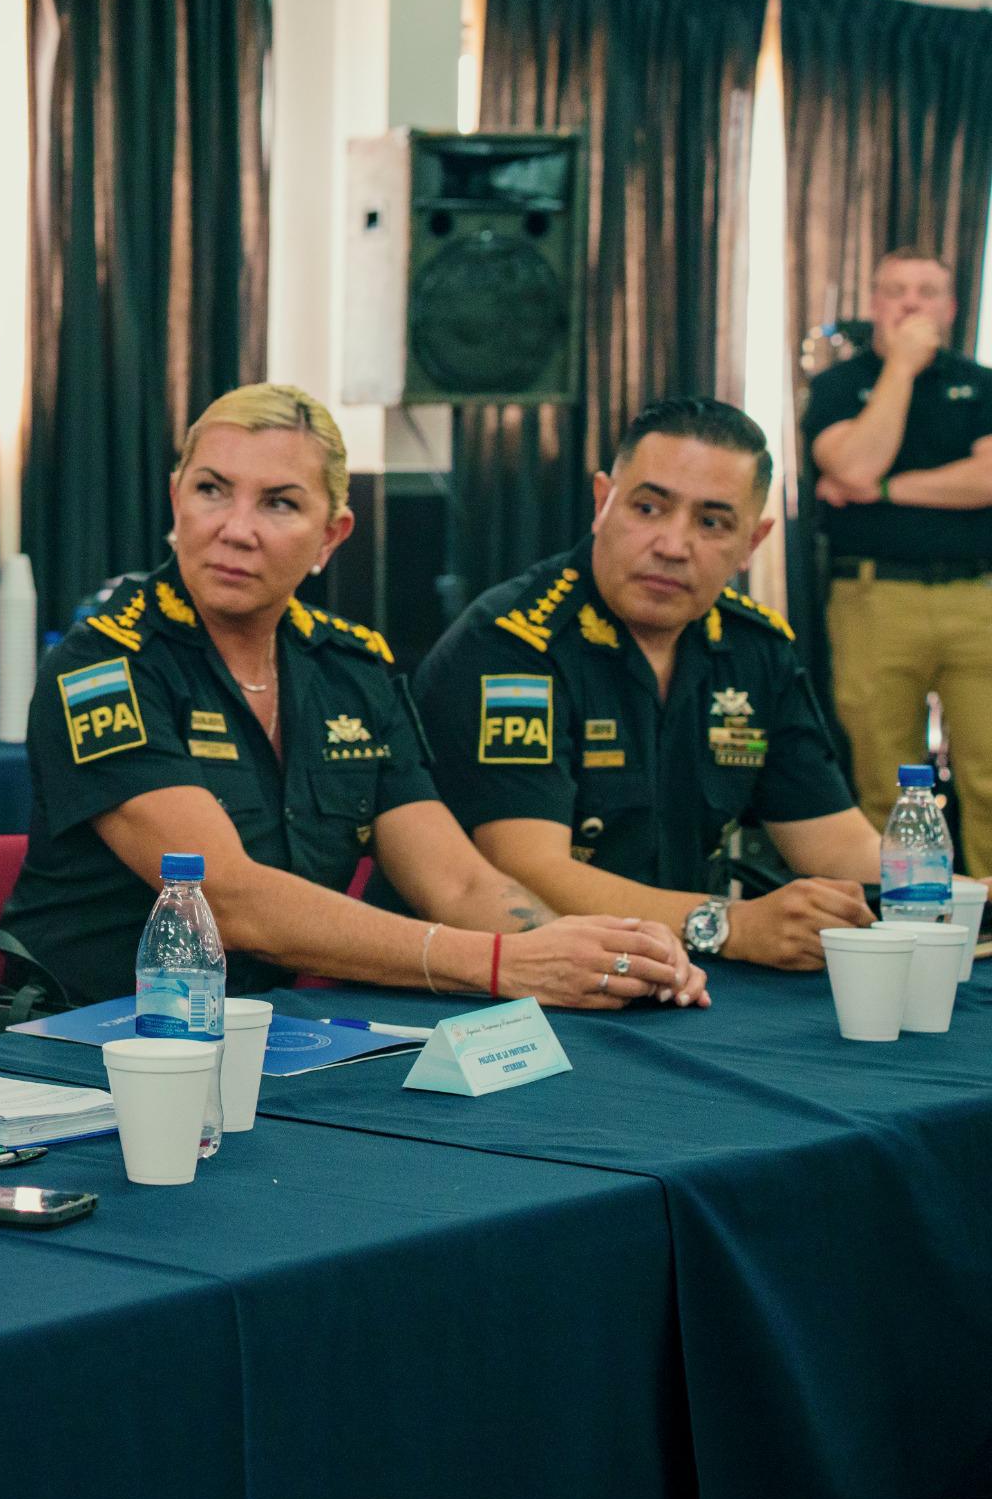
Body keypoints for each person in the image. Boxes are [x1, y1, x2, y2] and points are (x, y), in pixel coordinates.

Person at [2, 383, 707, 1012]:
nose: (236, 528)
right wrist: (500, 964)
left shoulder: (352, 667)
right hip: (93, 1043)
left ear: (331, 537)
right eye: (212, 490)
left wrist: (597, 957)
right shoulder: (105, 661)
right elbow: (229, 900)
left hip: (270, 1044)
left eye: (279, 503)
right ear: (176, 497)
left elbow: (457, 882)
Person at [415, 398, 881, 970]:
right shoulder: (512, 642)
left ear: (751, 545)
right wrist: (726, 924)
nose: (672, 545)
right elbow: (528, 870)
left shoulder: (755, 649)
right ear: (601, 502)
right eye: (649, 508)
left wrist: (964, 894)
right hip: (518, 984)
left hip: (687, 979)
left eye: (712, 522)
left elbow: (839, 848)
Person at [804, 247, 992, 874]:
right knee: (887, 782)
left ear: (950, 308)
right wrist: (902, 370)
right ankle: (907, 918)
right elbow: (853, 462)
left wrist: (883, 490)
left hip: (977, 600)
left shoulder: (981, 384)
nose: (911, 303)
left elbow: (988, 478)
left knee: (990, 778)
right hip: (874, 599)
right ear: (876, 305)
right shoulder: (837, 387)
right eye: (897, 291)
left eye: (927, 292)